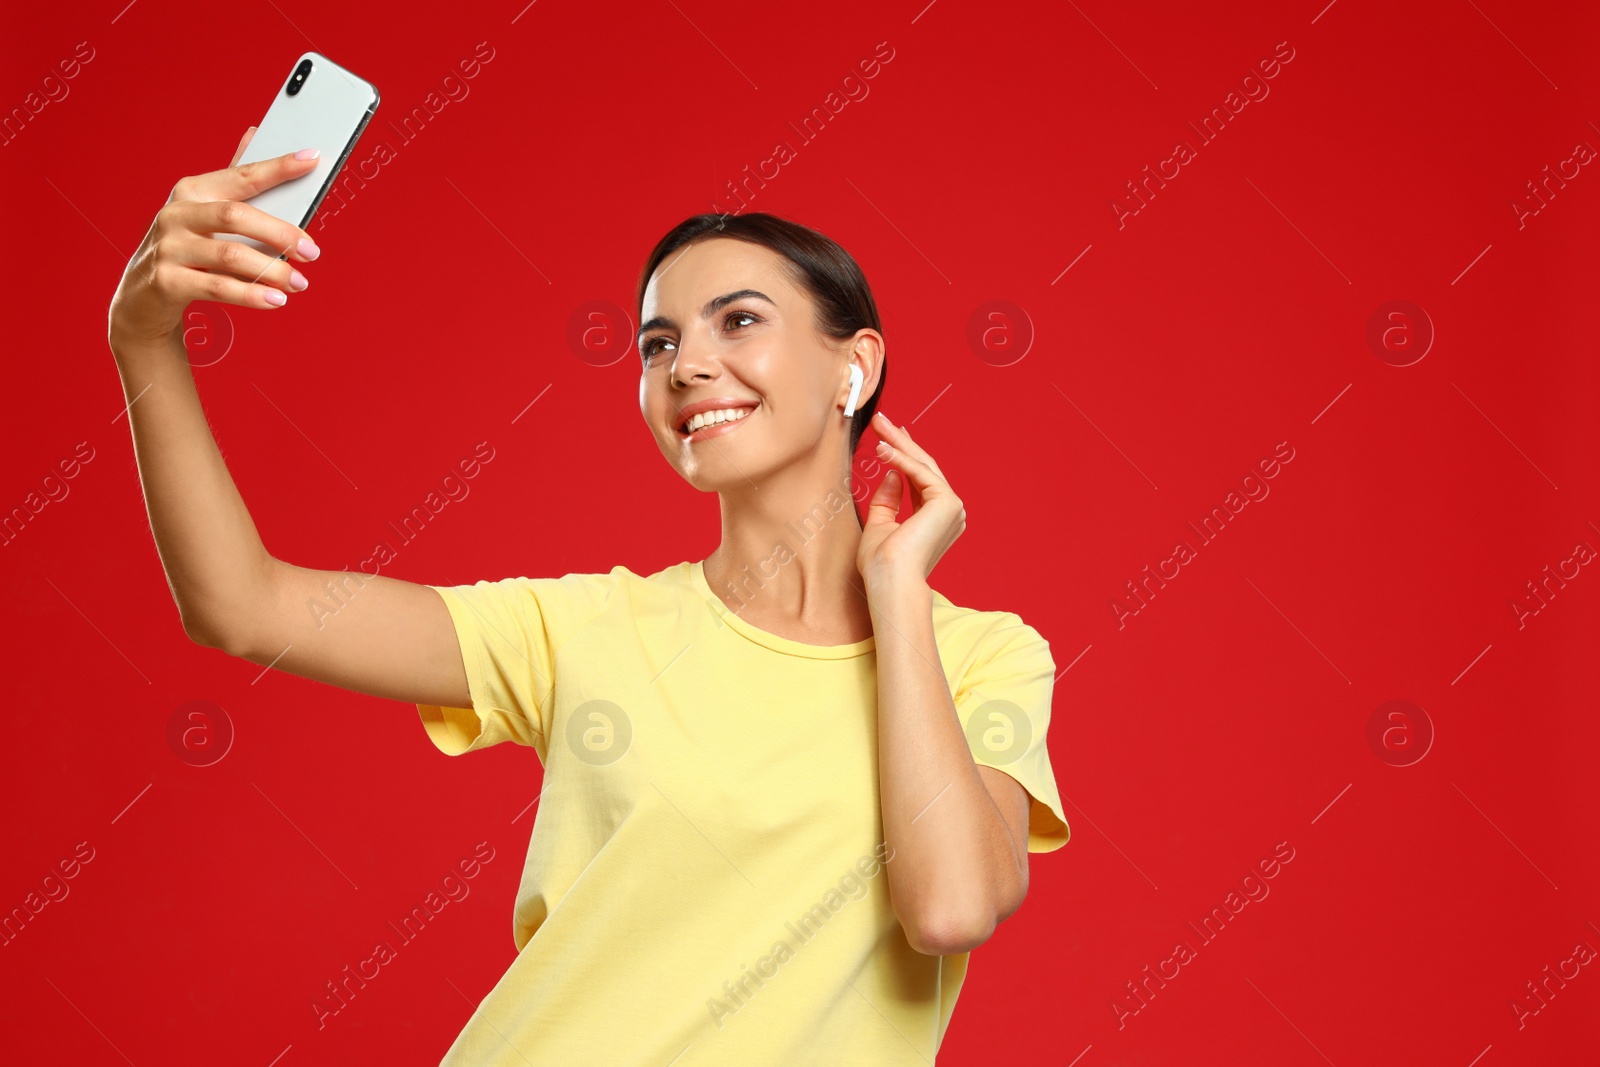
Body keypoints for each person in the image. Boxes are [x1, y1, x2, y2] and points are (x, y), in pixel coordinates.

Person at [106, 129, 1071, 1064]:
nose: (686, 365)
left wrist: (896, 591)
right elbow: (242, 604)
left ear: (853, 368)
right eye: (657, 342)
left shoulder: (986, 656)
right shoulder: (582, 630)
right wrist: (142, 339)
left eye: (738, 320)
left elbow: (948, 908)